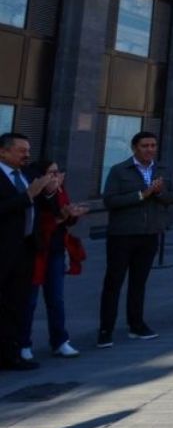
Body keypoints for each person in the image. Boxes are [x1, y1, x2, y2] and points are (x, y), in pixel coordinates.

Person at [98, 131, 173, 348]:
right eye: (145, 146)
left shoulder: (162, 170)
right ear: (134, 148)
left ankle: (136, 324)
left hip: (150, 234)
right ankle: (106, 329)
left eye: (153, 145)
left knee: (138, 283)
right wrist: (143, 194)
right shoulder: (119, 170)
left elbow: (172, 197)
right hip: (122, 234)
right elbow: (110, 200)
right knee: (114, 282)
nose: (150, 149)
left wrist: (159, 193)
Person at [20, 160, 87, 362]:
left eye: (58, 172)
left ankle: (60, 340)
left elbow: (65, 215)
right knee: (29, 301)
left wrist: (71, 215)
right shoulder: (33, 192)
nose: (56, 177)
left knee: (56, 298)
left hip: (57, 249)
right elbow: (36, 221)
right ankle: (23, 343)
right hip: (36, 251)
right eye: (51, 173)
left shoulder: (59, 191)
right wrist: (59, 216)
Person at [0, 133, 54, 370]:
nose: (27, 155)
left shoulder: (28, 175)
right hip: (3, 248)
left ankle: (11, 354)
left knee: (17, 303)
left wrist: (50, 191)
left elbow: (43, 206)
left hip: (26, 248)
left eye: (28, 150)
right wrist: (27, 196)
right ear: (3, 152)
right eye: (21, 150)